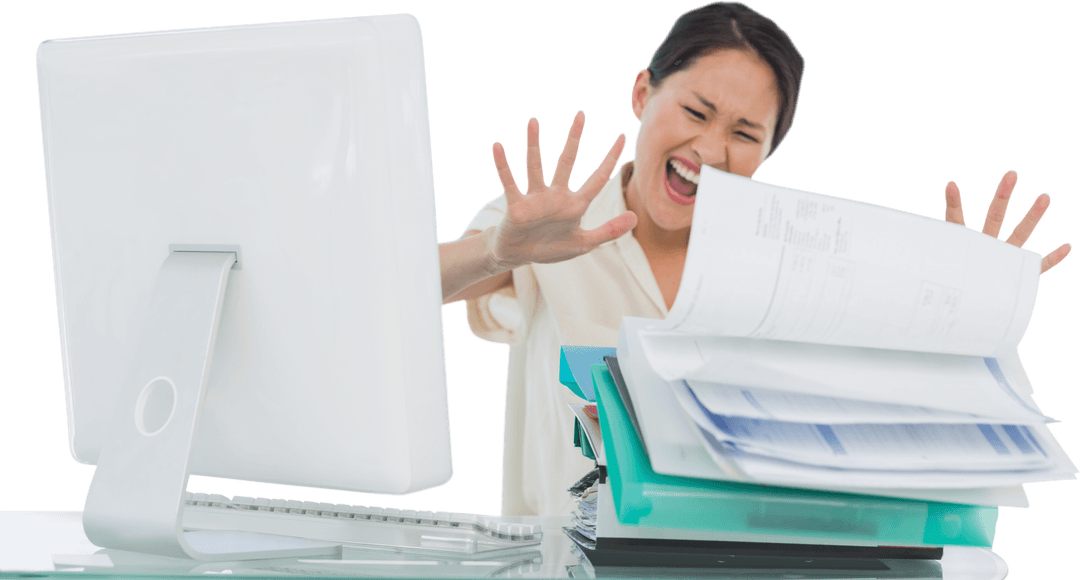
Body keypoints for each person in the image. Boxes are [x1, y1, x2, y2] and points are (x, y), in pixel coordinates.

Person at [438, 1, 1071, 516]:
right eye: (694, 111)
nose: (710, 150)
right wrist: (500, 251)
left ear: (769, 150)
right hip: (564, 557)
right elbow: (398, 292)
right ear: (641, 93)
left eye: (744, 135)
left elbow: (879, 406)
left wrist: (976, 300)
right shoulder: (553, 223)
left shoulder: (796, 261)